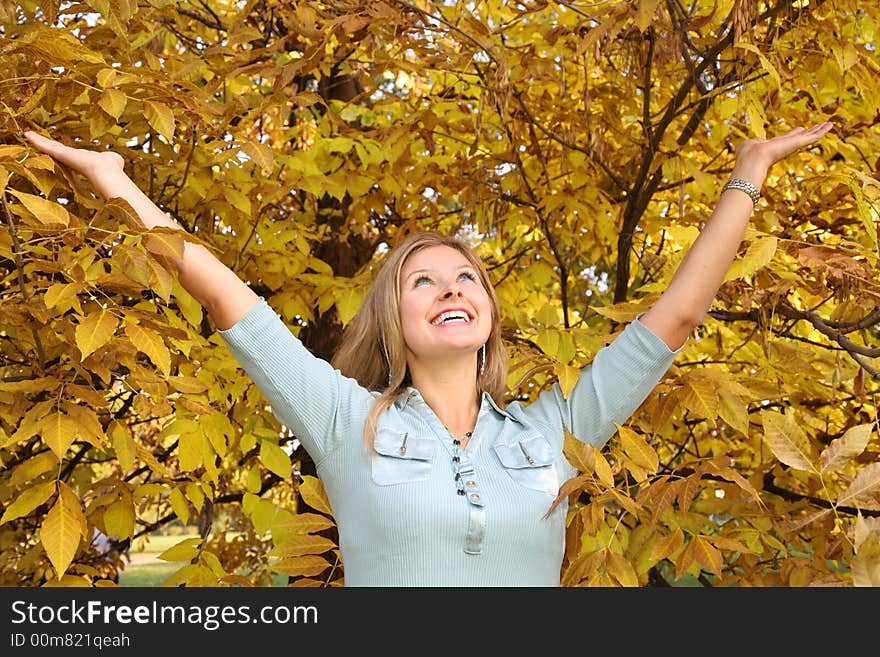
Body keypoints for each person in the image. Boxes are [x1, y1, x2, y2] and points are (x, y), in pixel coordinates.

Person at [23, 122, 833, 586]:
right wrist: (116, 185)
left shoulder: (551, 431)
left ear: (487, 308)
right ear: (392, 319)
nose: (451, 288)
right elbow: (230, 299)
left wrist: (747, 174)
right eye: (424, 281)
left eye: (466, 276)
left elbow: (679, 316)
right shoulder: (347, 420)